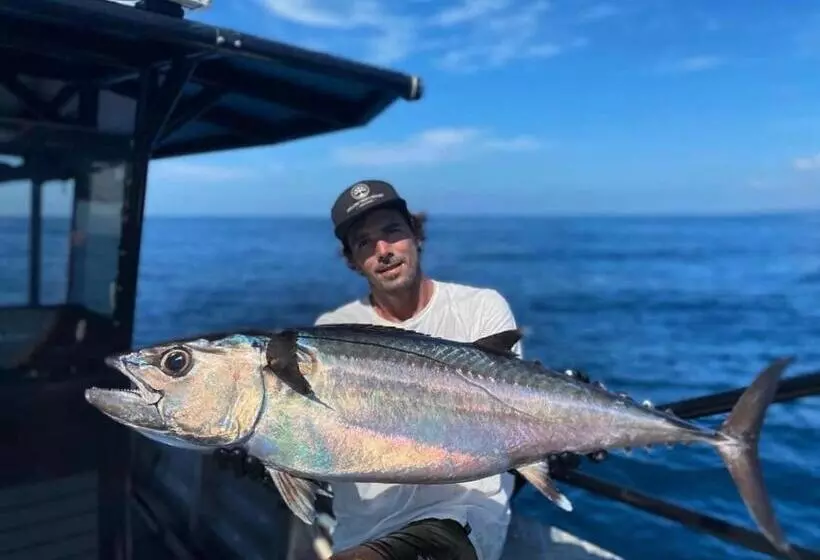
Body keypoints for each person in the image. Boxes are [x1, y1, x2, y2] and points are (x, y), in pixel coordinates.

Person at [306, 179, 522, 560]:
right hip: (364, 527)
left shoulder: (480, 309)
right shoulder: (332, 331)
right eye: (364, 243)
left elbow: (509, 420)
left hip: (463, 515)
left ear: (416, 235)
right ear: (353, 262)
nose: (383, 251)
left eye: (392, 232)